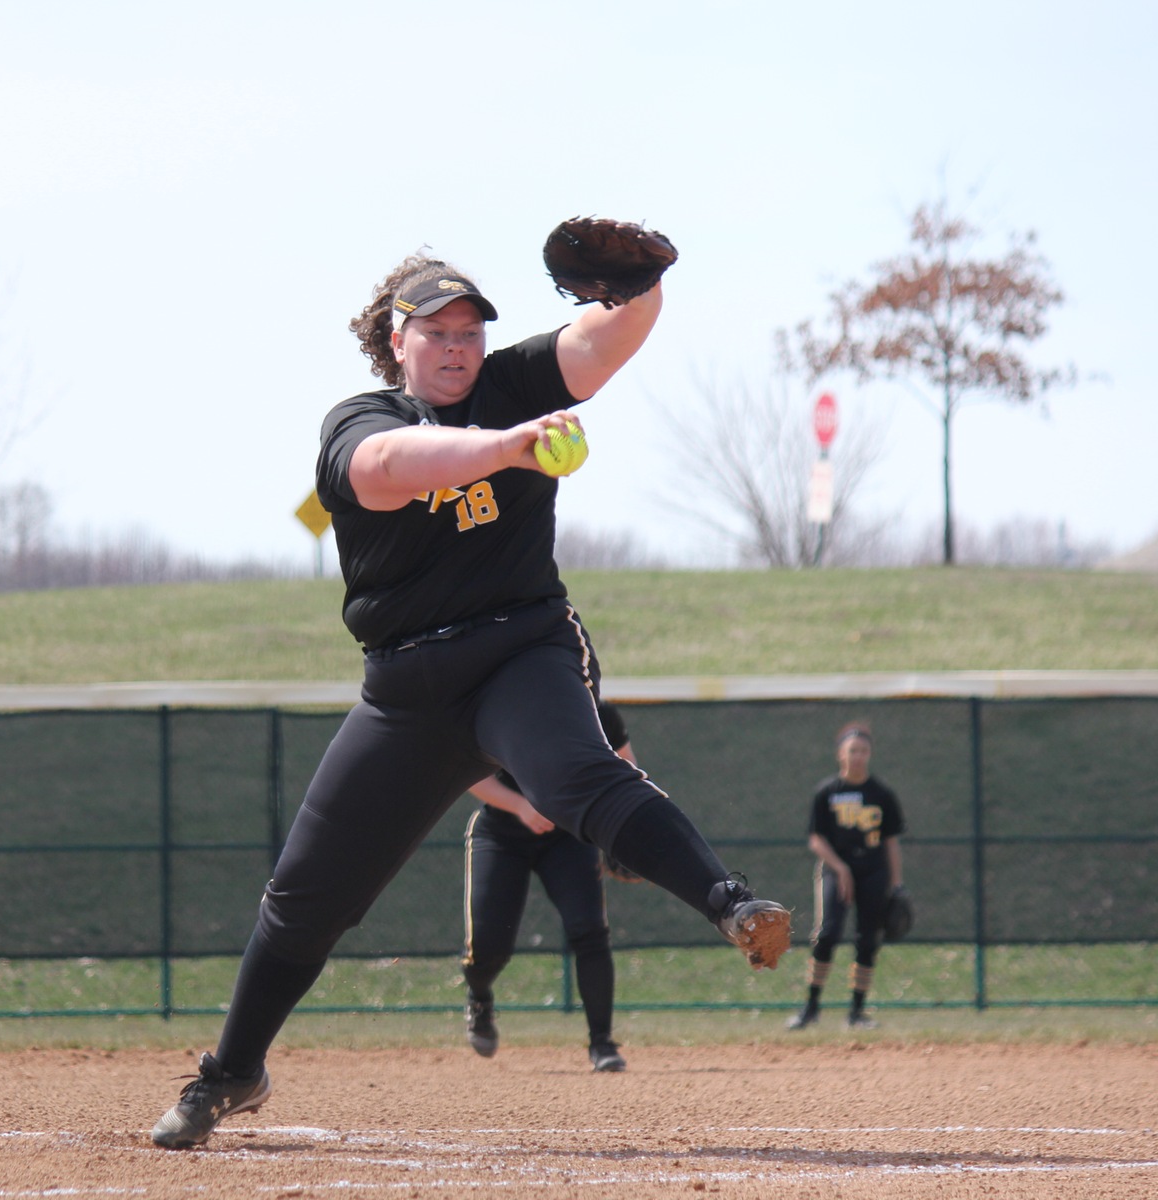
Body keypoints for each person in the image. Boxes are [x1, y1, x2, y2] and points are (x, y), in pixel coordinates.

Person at [151, 243, 791, 1150]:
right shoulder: (360, 420)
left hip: (518, 647)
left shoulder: (514, 382)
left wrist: (638, 286)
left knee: (576, 778)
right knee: (306, 897)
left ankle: (732, 902)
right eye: (437, 332)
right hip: (407, 689)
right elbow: (388, 468)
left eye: (470, 332)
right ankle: (232, 1073)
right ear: (395, 340)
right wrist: (511, 446)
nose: (459, 347)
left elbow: (606, 343)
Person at [463, 697, 637, 1072]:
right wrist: (521, 806)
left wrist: (616, 830)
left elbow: (625, 767)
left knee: (589, 930)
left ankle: (602, 1043)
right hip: (502, 834)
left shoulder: (596, 712)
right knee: (489, 945)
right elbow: (472, 775)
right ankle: (479, 996)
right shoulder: (501, 708)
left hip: (568, 835)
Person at [786, 721, 906, 1030]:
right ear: (841, 754)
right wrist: (840, 868)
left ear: (870, 754)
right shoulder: (827, 792)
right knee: (827, 934)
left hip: (873, 871)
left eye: (863, 750)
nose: (858, 756)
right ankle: (810, 1008)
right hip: (835, 871)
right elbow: (816, 839)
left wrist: (896, 884)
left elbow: (891, 842)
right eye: (852, 750)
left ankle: (856, 1012)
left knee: (867, 940)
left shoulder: (881, 793)